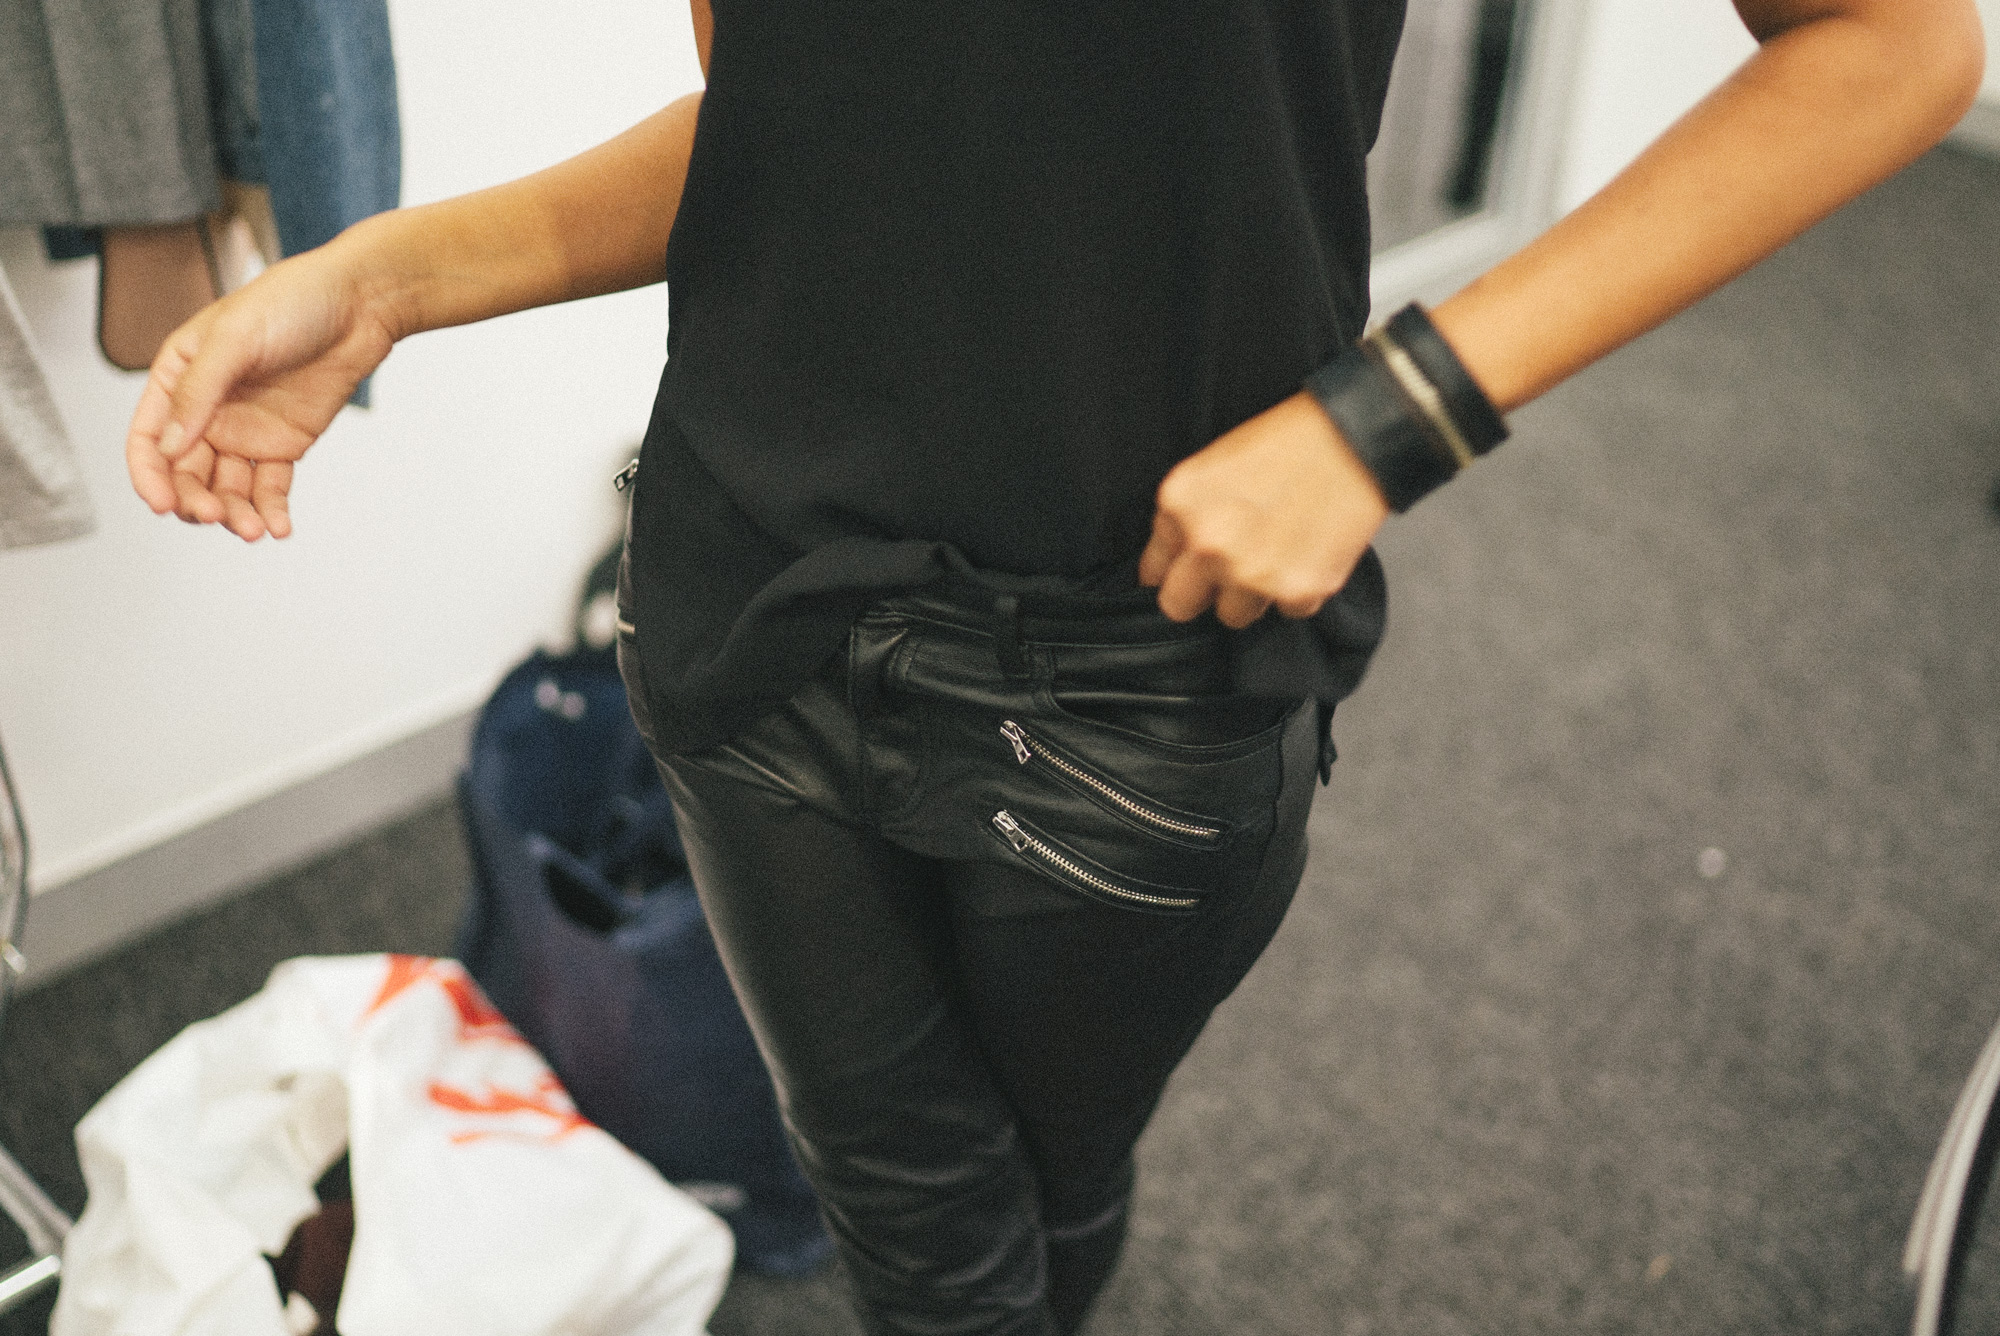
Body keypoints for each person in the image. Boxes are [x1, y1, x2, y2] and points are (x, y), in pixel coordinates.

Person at [126, 2, 1984, 1332]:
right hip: (746, 611)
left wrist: (1391, 416)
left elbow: (1889, 44)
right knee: (909, 1209)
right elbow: (801, 129)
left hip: (1134, 668)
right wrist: (393, 275)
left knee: (1049, 1177)